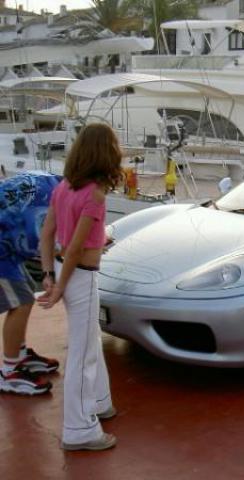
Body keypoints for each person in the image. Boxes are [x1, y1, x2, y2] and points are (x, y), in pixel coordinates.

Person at [38, 123, 122, 451]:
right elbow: (75, 248)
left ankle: (100, 401)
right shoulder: (95, 196)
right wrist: (59, 286)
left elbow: (49, 232)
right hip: (81, 276)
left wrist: (49, 274)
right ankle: (80, 428)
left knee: (89, 343)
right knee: (82, 353)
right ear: (106, 154)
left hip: (64, 270)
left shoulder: (63, 188)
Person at [0, 172, 61, 395]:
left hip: (6, 247)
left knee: (24, 292)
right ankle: (9, 370)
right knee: (21, 302)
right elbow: (41, 239)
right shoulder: (51, 201)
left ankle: (19, 353)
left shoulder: (50, 183)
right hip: (2, 250)